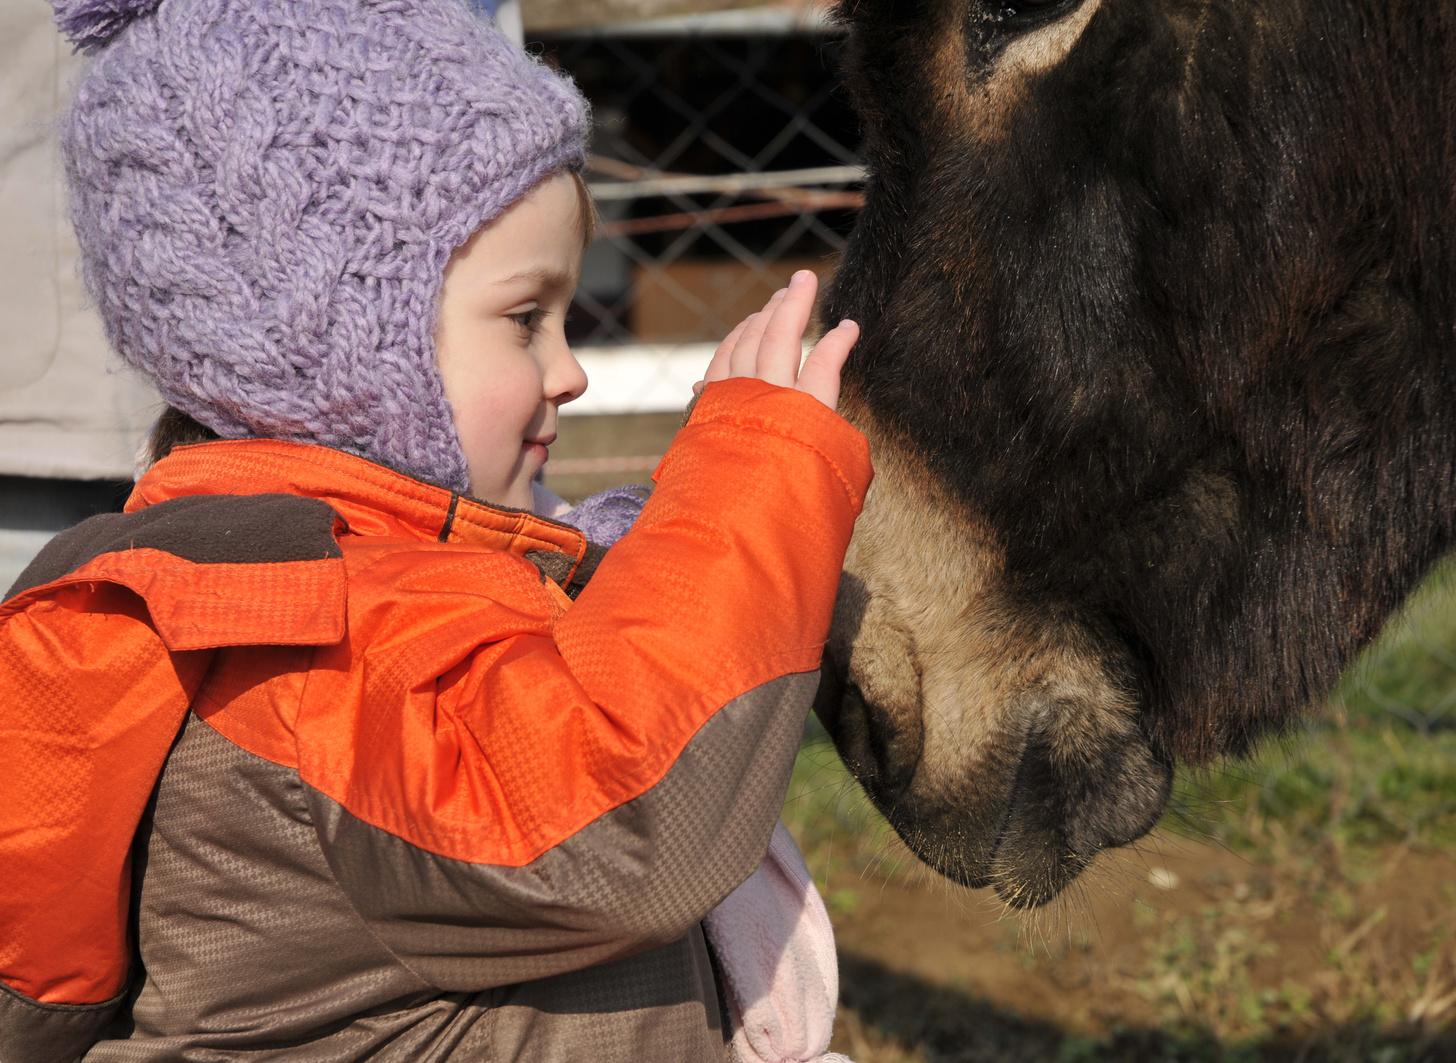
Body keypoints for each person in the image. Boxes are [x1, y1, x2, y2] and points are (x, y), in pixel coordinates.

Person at [0, 0, 869, 1060]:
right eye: (523, 318)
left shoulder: (383, 578)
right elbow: (610, 824)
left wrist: (663, 539)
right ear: (340, 337)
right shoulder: (295, 635)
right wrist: (752, 482)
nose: (570, 370)